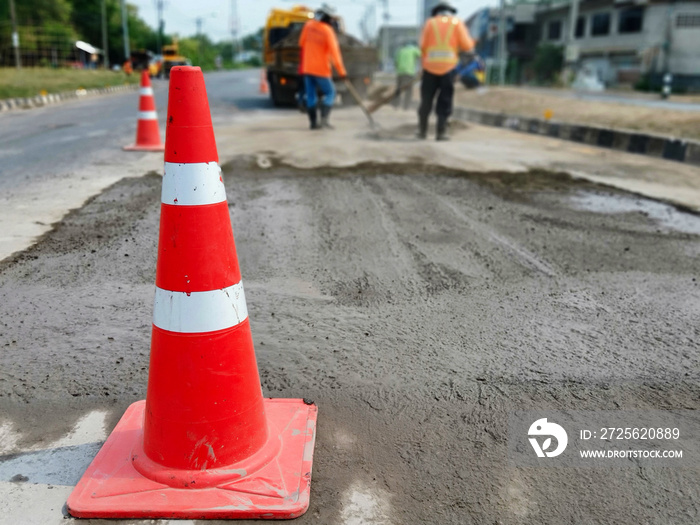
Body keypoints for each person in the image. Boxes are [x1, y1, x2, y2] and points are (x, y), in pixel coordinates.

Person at [418, 1, 475, 141]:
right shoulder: (457, 23)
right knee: (445, 100)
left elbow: (422, 46)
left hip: (429, 68)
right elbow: (467, 46)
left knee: (426, 100)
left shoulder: (430, 23)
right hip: (448, 69)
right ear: (450, 12)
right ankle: (441, 132)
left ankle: (422, 131)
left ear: (436, 12)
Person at [298, 4, 347, 130]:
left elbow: (301, 42)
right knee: (331, 92)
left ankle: (313, 123)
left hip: (307, 68)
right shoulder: (327, 31)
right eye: (330, 18)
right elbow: (335, 53)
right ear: (327, 18)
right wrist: (342, 72)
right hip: (321, 69)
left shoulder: (308, 25)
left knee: (311, 95)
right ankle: (324, 120)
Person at [393, 41, 422, 110]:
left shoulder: (400, 50)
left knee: (399, 89)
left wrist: (398, 69)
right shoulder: (414, 50)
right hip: (409, 72)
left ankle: (396, 104)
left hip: (400, 72)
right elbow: (421, 56)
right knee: (408, 90)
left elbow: (396, 62)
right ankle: (406, 106)